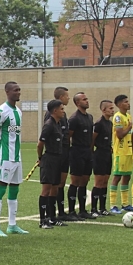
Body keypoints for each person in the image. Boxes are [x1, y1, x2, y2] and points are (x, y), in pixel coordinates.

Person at [0, 81, 28, 236]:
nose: (18, 92)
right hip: (5, 157)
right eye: (15, 90)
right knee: (1, 188)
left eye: (19, 89)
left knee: (15, 189)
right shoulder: (1, 111)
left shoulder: (18, 111)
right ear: (7, 92)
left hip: (16, 157)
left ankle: (12, 225)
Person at [37, 100, 65, 228]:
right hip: (49, 159)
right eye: (61, 109)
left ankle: (52, 217)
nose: (63, 111)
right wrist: (40, 158)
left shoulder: (58, 124)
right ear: (55, 111)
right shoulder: (49, 125)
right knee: (46, 190)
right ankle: (43, 220)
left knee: (55, 188)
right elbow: (40, 143)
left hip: (58, 159)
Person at [67, 92, 95, 220]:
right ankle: (72, 211)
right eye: (84, 99)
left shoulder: (89, 117)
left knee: (85, 180)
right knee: (75, 181)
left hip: (87, 152)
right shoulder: (74, 119)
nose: (87, 101)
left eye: (87, 98)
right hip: (77, 152)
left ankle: (83, 210)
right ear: (77, 103)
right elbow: (68, 136)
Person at [44, 87, 71, 220]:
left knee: (60, 182)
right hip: (55, 153)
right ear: (61, 97)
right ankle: (51, 214)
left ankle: (60, 212)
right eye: (67, 96)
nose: (68, 98)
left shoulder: (63, 115)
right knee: (54, 183)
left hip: (64, 150)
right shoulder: (51, 115)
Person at [109, 94, 133, 214]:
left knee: (127, 177)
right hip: (120, 151)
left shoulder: (128, 116)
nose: (128, 103)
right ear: (119, 104)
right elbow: (119, 135)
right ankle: (113, 204)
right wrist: (129, 127)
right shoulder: (118, 117)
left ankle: (125, 203)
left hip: (128, 151)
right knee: (117, 177)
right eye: (125, 102)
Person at [91, 99, 114, 215]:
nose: (112, 110)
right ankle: (94, 209)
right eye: (110, 108)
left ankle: (103, 208)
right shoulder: (99, 123)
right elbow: (93, 139)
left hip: (107, 154)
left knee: (105, 181)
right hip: (99, 154)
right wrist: (92, 153)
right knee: (98, 182)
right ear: (103, 109)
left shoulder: (110, 123)